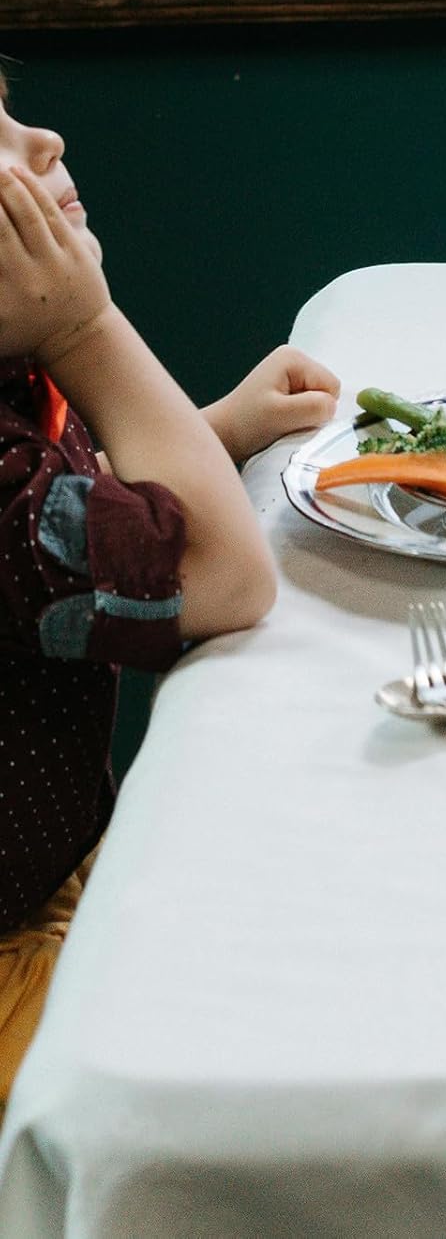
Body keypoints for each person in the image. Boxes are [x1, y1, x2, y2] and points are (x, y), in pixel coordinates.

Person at [0, 72, 341, 1102]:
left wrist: (217, 430)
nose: (48, 140)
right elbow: (229, 579)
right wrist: (84, 327)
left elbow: (90, 509)